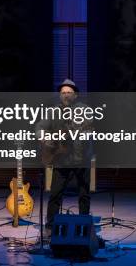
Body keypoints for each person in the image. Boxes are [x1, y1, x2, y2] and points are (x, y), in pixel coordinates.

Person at [38, 79, 93, 240]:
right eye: (63, 93)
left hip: (81, 158)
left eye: (69, 92)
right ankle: (50, 227)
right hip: (61, 159)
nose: (66, 95)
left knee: (83, 194)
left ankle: (84, 226)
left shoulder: (85, 110)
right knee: (55, 194)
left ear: (75, 95)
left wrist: (81, 133)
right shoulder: (53, 112)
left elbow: (89, 129)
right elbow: (40, 127)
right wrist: (46, 139)